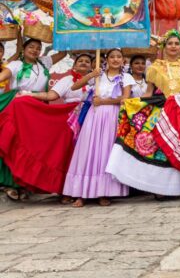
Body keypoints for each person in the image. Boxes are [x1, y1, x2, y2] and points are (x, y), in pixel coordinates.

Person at [105, 30, 180, 198]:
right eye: (170, 43)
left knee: (179, 147)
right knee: (162, 147)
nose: (173, 46)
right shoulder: (155, 67)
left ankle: (178, 187)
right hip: (163, 110)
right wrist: (133, 104)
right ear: (164, 46)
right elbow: (149, 92)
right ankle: (161, 188)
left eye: (177, 44)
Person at [62, 49, 132, 207]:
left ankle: (103, 192)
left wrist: (103, 102)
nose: (115, 60)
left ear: (123, 60)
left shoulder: (125, 77)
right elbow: (75, 87)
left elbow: (125, 98)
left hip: (112, 117)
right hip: (93, 116)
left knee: (105, 153)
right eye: (112, 57)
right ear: (106, 59)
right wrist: (91, 75)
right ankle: (81, 193)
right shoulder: (98, 75)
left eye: (118, 57)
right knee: (88, 152)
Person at [0, 39, 66, 201]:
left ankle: (26, 183)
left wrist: (58, 31)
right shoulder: (15, 65)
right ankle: (10, 183)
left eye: (38, 48)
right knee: (15, 144)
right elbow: (3, 76)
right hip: (19, 107)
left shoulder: (44, 62)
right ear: (23, 48)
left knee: (32, 147)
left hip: (37, 108)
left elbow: (63, 53)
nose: (35, 50)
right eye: (31, 47)